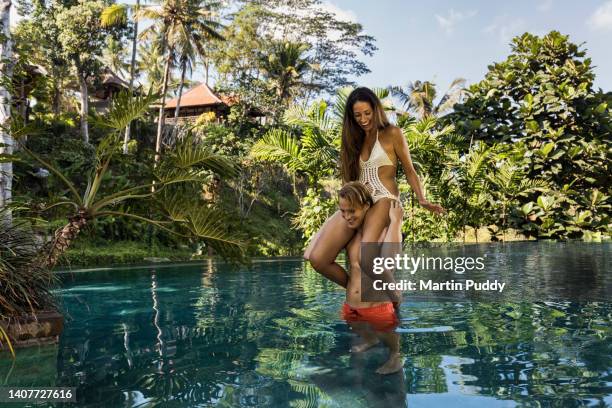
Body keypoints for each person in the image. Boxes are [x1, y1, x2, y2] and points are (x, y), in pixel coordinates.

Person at [304, 87, 445, 288]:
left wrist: (422, 199)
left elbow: (409, 169)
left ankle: (393, 293)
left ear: (376, 110)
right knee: (317, 258)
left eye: (367, 113)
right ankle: (355, 288)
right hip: (358, 201)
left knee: (366, 258)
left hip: (384, 198)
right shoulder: (354, 139)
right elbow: (350, 181)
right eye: (358, 115)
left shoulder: (392, 133)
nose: (363, 119)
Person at [336, 181, 404, 374]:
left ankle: (395, 356)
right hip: (351, 304)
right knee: (354, 323)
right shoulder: (353, 234)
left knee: (387, 334)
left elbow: (391, 261)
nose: (347, 217)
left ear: (366, 207)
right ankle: (369, 339)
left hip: (376, 304)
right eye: (343, 211)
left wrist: (396, 222)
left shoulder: (380, 232)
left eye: (352, 211)